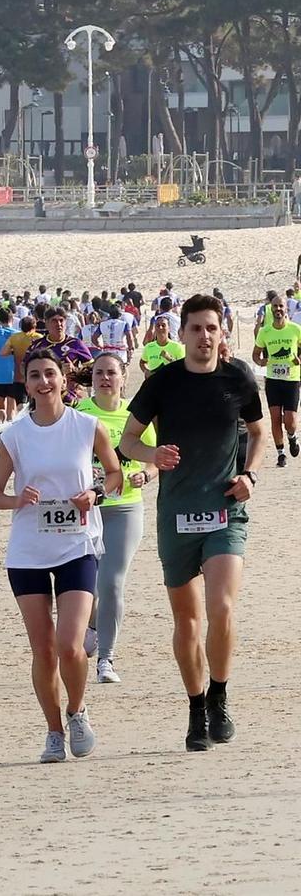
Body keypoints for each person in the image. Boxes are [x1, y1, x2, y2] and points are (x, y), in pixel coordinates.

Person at [121, 292, 268, 751]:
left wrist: (251, 475)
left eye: (211, 328)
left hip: (225, 508)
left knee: (221, 608)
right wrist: (153, 454)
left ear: (221, 333)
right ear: (181, 334)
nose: (204, 336)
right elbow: (128, 441)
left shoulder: (237, 378)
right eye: (196, 329)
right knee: (187, 620)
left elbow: (259, 432)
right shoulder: (163, 382)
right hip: (177, 512)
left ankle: (220, 695)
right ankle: (196, 707)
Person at [0, 349, 119, 762]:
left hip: (77, 545)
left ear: (64, 381)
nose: (44, 382)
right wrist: (17, 500)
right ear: (26, 385)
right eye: (35, 376)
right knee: (43, 649)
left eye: (50, 374)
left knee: (70, 644)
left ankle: (77, 711)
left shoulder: (87, 426)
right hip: (28, 550)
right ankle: (53, 731)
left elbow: (115, 474)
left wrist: (94, 493)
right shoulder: (15, 434)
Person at [77, 352, 150, 685]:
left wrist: (145, 475)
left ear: (123, 378)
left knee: (112, 582)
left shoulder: (137, 416)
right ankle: (91, 623)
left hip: (125, 507)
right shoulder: (79, 415)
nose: (105, 378)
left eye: (111, 373)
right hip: (86, 509)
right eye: (99, 373)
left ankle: (106, 658)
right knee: (87, 586)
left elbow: (155, 457)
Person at [252, 297, 300, 466]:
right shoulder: (265, 331)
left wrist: (299, 359)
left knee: (290, 421)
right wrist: (260, 361)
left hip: (292, 379)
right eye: (275, 306)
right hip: (273, 379)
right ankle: (281, 453)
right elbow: (255, 354)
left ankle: (292, 437)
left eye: (281, 306)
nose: (278, 309)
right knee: (274, 418)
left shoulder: (295, 329)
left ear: (286, 309)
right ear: (270, 309)